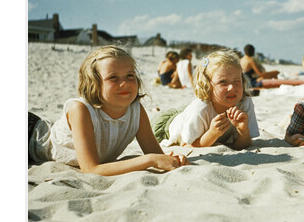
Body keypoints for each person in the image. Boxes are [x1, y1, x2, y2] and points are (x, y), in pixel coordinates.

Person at [28, 45, 189, 175]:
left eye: (130, 76)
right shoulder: (81, 110)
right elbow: (91, 169)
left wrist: (172, 159)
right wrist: (150, 160)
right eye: (113, 78)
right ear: (94, 83)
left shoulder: (136, 111)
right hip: (31, 136)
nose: (124, 83)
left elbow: (156, 155)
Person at [152, 49, 260, 150]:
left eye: (237, 81)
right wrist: (212, 134)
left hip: (190, 113)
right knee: (162, 116)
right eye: (223, 82)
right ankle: (156, 112)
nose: (232, 87)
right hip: (167, 125)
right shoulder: (200, 109)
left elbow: (243, 146)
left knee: (187, 111)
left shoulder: (244, 101)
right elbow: (187, 145)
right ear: (207, 85)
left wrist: (243, 130)